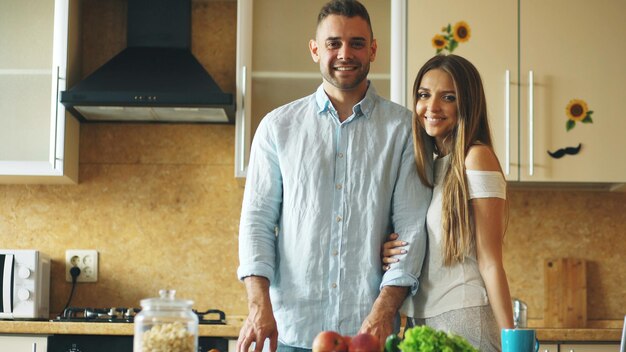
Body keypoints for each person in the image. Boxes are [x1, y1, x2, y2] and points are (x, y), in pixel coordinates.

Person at [236, 1, 432, 351]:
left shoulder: (404, 130)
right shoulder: (277, 127)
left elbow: (411, 229)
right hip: (289, 332)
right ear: (315, 50)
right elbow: (257, 222)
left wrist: (384, 311)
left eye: (357, 43)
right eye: (333, 43)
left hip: (367, 335)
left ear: (373, 49)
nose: (345, 53)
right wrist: (258, 305)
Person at [382, 54, 514, 351]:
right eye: (424, 95)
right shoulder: (429, 166)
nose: (431, 107)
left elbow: (491, 261)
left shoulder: (476, 158)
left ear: (467, 104)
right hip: (420, 321)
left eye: (448, 97)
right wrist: (393, 247)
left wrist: (512, 341)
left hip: (464, 318)